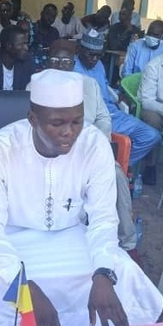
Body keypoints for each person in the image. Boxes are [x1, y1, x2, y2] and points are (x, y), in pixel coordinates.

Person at [0, 69, 163, 326]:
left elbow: (103, 218)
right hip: (7, 237)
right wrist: (24, 289)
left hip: (70, 233)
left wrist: (103, 273)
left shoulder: (93, 144)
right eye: (57, 123)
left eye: (76, 121)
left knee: (124, 273)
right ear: (33, 119)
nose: (69, 132)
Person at [48, 40, 141, 256]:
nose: (60, 66)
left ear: (73, 64)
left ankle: (127, 243)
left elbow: (103, 119)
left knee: (115, 175)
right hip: (53, 152)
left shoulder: (89, 85)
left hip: (90, 148)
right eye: (55, 61)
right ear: (47, 63)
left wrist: (94, 144)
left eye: (66, 61)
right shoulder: (36, 86)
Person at [72, 31, 160, 168]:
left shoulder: (99, 65)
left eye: (98, 55)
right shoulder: (71, 67)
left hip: (113, 112)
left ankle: (119, 167)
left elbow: (106, 86)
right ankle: (107, 168)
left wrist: (118, 95)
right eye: (91, 54)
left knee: (151, 136)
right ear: (80, 49)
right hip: (93, 118)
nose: (94, 59)